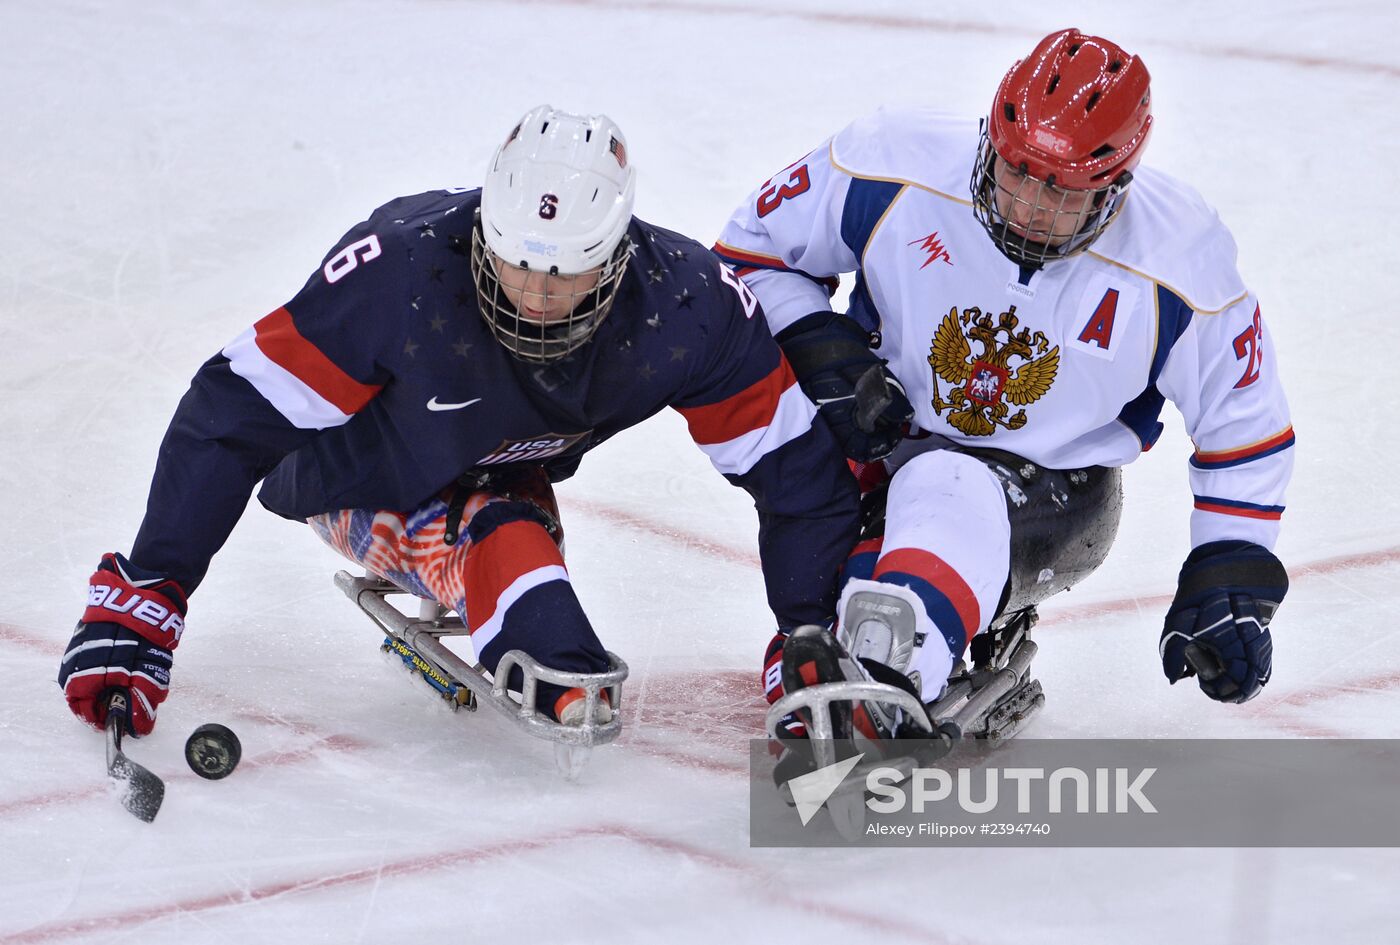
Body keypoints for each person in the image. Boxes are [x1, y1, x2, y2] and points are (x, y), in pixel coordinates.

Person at [58, 105, 860, 737]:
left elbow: (793, 468)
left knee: (524, 566)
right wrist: (148, 591)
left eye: (568, 273)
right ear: (482, 231)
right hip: (356, 477)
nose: (537, 295)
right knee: (517, 561)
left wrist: (810, 632)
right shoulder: (399, 273)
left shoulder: (690, 306)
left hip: (500, 467)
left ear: (619, 256)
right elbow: (232, 413)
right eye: (517, 261)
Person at [715, 29, 1293, 740]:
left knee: (947, 489)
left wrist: (1229, 570)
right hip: (877, 433)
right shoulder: (891, 160)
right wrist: (817, 340)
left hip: (1054, 491)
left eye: (1060, 192)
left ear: (1116, 187)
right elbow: (747, 255)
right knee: (787, 452)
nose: (1026, 206)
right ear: (989, 137)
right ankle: (828, 639)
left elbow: (1245, 420)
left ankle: (886, 665)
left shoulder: (1178, 257)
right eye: (1015, 171)